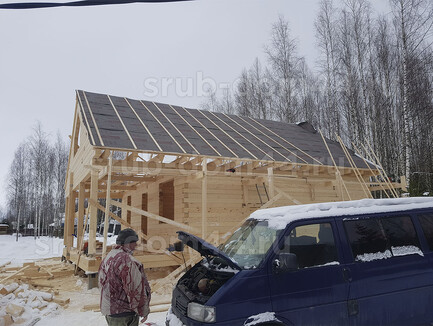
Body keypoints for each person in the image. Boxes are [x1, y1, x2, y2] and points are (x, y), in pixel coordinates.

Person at [99, 228, 151, 326]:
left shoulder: (109, 257)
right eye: (134, 242)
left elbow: (101, 282)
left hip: (111, 311)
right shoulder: (126, 261)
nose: (136, 245)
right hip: (125, 313)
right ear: (127, 243)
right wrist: (143, 310)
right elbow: (135, 288)